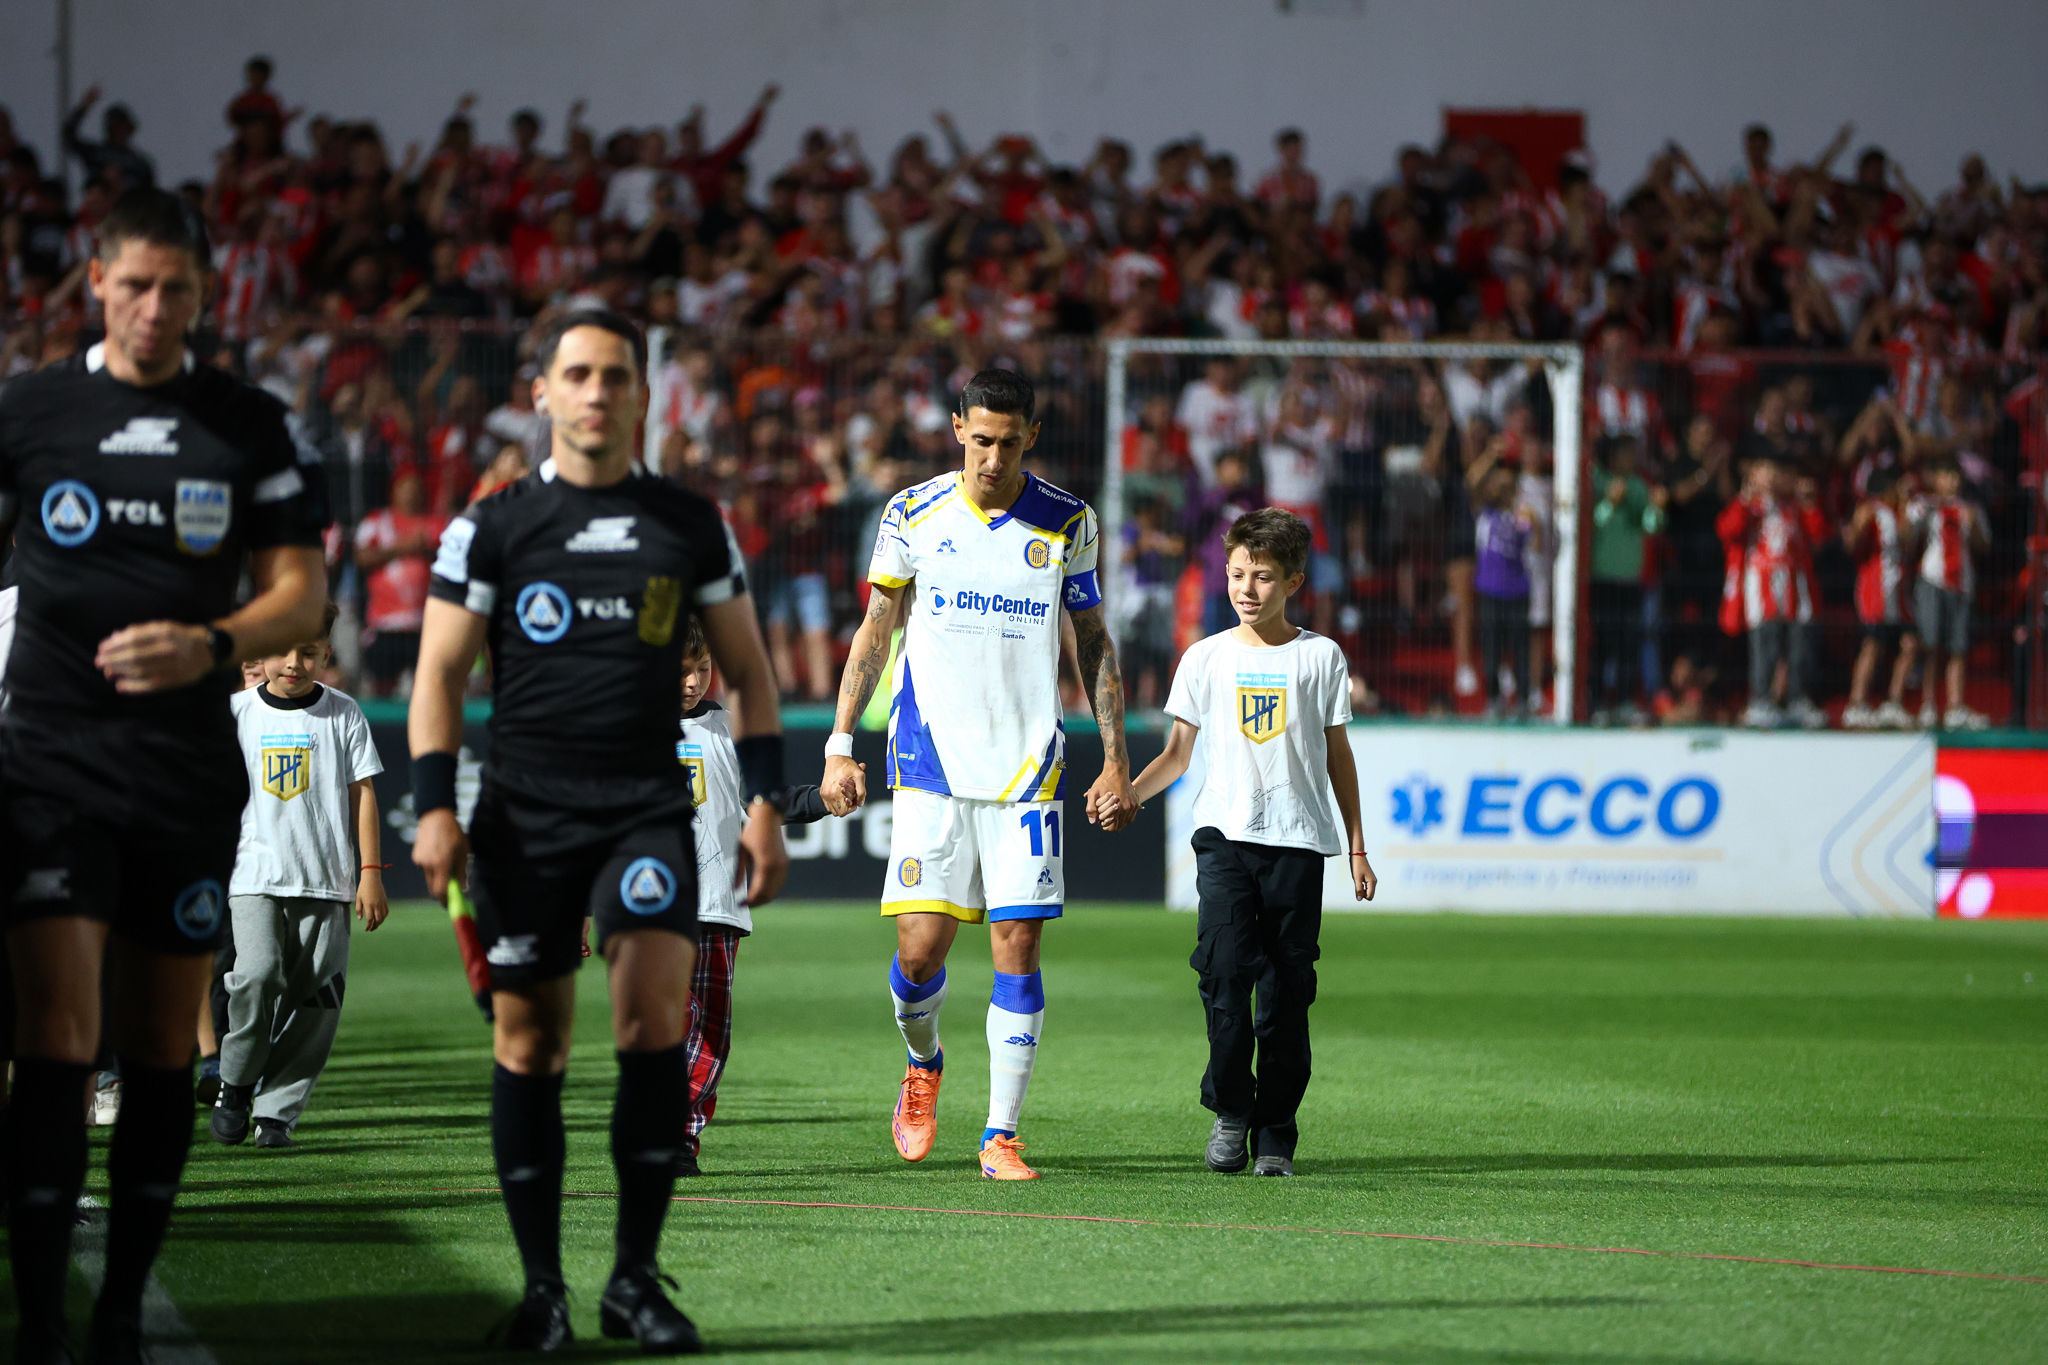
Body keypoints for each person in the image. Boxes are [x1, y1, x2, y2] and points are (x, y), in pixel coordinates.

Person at [410, 308, 789, 1353]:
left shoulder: (690, 523)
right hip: (524, 818)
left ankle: (631, 1280)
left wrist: (764, 802)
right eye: (575, 373)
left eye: (615, 375)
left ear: (642, 395)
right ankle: (543, 1292)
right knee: (529, 1040)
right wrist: (434, 806)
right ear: (542, 391)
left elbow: (751, 674)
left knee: (649, 1025)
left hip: (642, 813)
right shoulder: (489, 527)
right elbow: (437, 674)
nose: (595, 392)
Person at [0, 187, 326, 1365]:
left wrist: (212, 644)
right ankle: (42, 1318)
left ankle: (121, 1312)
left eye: (174, 290)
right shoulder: (32, 411)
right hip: (48, 767)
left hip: (183, 775)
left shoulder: (246, 424)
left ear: (204, 294)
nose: (152, 308)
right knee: (54, 1029)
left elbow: (303, 590)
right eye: (133, 286)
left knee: (153, 1049)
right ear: (96, 281)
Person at [819, 367, 1136, 1182]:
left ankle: (1001, 1136)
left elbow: (1092, 638)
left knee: (1017, 945)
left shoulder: (1070, 520)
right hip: (929, 761)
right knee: (919, 953)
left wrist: (1115, 756)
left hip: (1027, 767)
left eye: (1010, 442)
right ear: (958, 427)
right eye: (982, 439)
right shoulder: (911, 512)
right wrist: (839, 742)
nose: (994, 458)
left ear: (1032, 436)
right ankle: (923, 1062)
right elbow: (877, 627)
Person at [1129, 508, 1373, 1177]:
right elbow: (1178, 755)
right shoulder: (1204, 657)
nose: (1246, 588)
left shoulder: (1320, 657)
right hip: (1223, 838)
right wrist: (1130, 794)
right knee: (1223, 975)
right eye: (1237, 573)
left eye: (1262, 576)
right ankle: (1232, 1111)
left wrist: (1356, 845)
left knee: (1286, 998)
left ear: (1293, 581)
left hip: (1297, 843)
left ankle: (1276, 1135)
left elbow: (1338, 756)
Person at [214, 601, 386, 1149]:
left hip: (326, 880)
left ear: (327, 654)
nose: (294, 662)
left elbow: (363, 794)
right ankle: (235, 1081)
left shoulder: (344, 713)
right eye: (283, 651)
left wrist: (370, 872)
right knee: (256, 975)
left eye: (308, 653)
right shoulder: (236, 713)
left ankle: (276, 1113)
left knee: (317, 1002)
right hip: (253, 877)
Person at [673, 618, 828, 1176]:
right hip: (653, 903)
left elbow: (770, 800)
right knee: (669, 1022)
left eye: (703, 668)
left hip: (718, 903)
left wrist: (823, 798)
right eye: (681, 670)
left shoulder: (729, 729)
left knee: (709, 1031)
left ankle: (679, 1138)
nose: (694, 681)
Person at [1717, 458, 1828, 728]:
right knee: (1764, 643)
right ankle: (1760, 701)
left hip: (1793, 585)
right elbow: (1727, 530)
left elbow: (1818, 535)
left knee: (1799, 643)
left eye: (1773, 472)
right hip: (1760, 584)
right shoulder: (1748, 506)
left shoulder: (1793, 507)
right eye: (1763, 472)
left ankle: (1797, 700)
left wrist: (1810, 504)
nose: (1770, 478)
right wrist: (1744, 499)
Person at [1907, 457, 1991, 729]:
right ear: (1935, 479)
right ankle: (1928, 704)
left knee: (1958, 647)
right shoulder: (1924, 506)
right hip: (1932, 580)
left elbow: (1984, 545)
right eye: (1946, 476)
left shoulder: (1970, 509)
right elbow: (1908, 537)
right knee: (1930, 644)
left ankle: (1955, 705)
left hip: (1961, 583)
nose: (1951, 482)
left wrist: (1973, 524)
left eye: (1955, 477)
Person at [1842, 469, 1919, 729]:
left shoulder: (1897, 513)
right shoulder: (1871, 509)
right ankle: (1856, 703)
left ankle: (1893, 703)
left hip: (1898, 591)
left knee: (1909, 643)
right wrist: (1857, 528)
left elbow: (1906, 541)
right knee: (1872, 644)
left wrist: (1904, 505)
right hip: (1875, 589)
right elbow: (1853, 545)